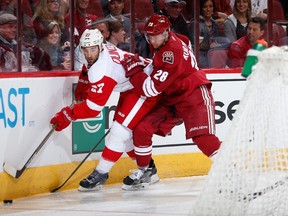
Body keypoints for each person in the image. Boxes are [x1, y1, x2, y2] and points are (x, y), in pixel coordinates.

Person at [50, 28, 160, 191]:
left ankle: (101, 173)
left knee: (119, 130)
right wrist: (83, 84)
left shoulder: (103, 70)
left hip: (147, 84)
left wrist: (68, 115)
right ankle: (148, 170)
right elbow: (88, 67)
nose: (89, 54)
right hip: (131, 85)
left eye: (92, 49)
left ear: (100, 47)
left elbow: (93, 109)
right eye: (85, 49)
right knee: (124, 133)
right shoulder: (93, 51)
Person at [120, 14, 221, 190]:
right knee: (142, 128)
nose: (152, 39)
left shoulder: (170, 54)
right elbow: (165, 62)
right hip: (171, 97)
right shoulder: (176, 38)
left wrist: (134, 71)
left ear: (167, 32)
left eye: (156, 35)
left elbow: (150, 89)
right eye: (149, 35)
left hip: (193, 95)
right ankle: (146, 172)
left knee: (203, 138)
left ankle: (233, 170)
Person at [191, 0, 230, 68]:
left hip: (214, 54)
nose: (208, 9)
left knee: (227, 41)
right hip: (201, 56)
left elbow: (217, 40)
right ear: (201, 8)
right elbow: (193, 44)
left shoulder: (215, 23)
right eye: (205, 7)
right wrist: (209, 45)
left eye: (210, 6)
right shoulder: (195, 23)